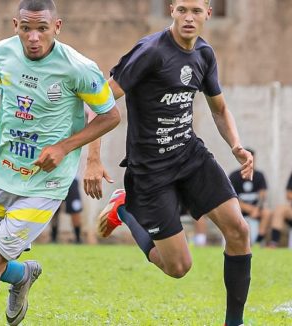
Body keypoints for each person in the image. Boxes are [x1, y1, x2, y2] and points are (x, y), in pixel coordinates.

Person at [0, 0, 120, 324]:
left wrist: (70, 150)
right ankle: (21, 275)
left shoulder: (79, 67)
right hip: (2, 173)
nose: (33, 37)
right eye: (26, 28)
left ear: (56, 27)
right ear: (15, 26)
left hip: (46, 184)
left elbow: (109, 115)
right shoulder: (2, 53)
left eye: (42, 28)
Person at [84, 1, 253, 325]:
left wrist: (236, 145)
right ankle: (125, 208)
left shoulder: (204, 55)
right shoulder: (149, 53)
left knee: (239, 231)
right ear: (171, 11)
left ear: (208, 13)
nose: (189, 17)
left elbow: (219, 109)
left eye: (196, 10)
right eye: (182, 9)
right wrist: (93, 158)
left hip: (189, 155)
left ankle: (234, 322)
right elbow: (99, 102)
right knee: (177, 267)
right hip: (150, 171)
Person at [229, 148, 271, 245]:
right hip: (238, 210)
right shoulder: (234, 176)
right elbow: (231, 198)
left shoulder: (259, 176)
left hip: (256, 209)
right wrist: (249, 209)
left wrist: (257, 208)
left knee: (267, 213)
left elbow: (262, 196)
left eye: (251, 160)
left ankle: (258, 241)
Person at [50, 177, 84, 244]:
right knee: (54, 210)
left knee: (75, 210)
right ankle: (53, 238)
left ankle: (78, 239)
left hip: (72, 180)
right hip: (55, 180)